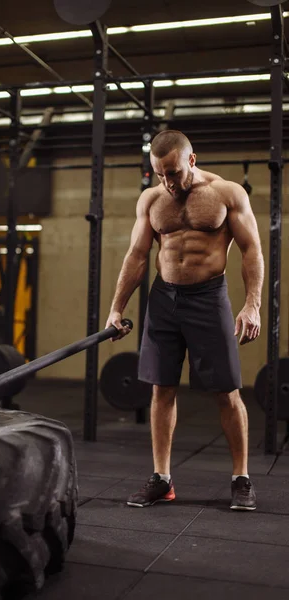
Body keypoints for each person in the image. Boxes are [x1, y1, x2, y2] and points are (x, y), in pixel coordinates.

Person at [106, 130, 264, 511]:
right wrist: (116, 308)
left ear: (191, 160)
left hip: (208, 298)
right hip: (164, 300)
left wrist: (253, 304)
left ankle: (240, 479)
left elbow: (250, 250)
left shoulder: (227, 194)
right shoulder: (152, 199)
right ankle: (162, 480)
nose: (167, 182)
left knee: (226, 391)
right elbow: (137, 256)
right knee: (161, 389)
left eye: (173, 173)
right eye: (159, 174)